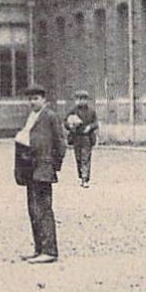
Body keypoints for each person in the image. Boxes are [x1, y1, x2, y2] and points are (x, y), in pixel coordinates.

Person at [14, 86, 65, 264]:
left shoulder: (50, 116)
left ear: (44, 99)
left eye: (35, 98)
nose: (32, 102)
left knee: (44, 209)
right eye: (30, 99)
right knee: (33, 210)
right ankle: (39, 249)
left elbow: (60, 141)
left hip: (43, 168)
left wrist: (54, 165)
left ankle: (50, 250)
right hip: (30, 168)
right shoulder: (30, 117)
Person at [64, 89, 98, 187]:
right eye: (79, 99)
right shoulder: (72, 111)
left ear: (87, 100)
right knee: (78, 158)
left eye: (83, 99)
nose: (81, 101)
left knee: (85, 158)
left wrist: (90, 127)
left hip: (87, 137)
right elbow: (65, 122)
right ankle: (81, 176)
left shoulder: (91, 111)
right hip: (76, 137)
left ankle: (85, 178)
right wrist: (70, 125)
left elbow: (95, 123)